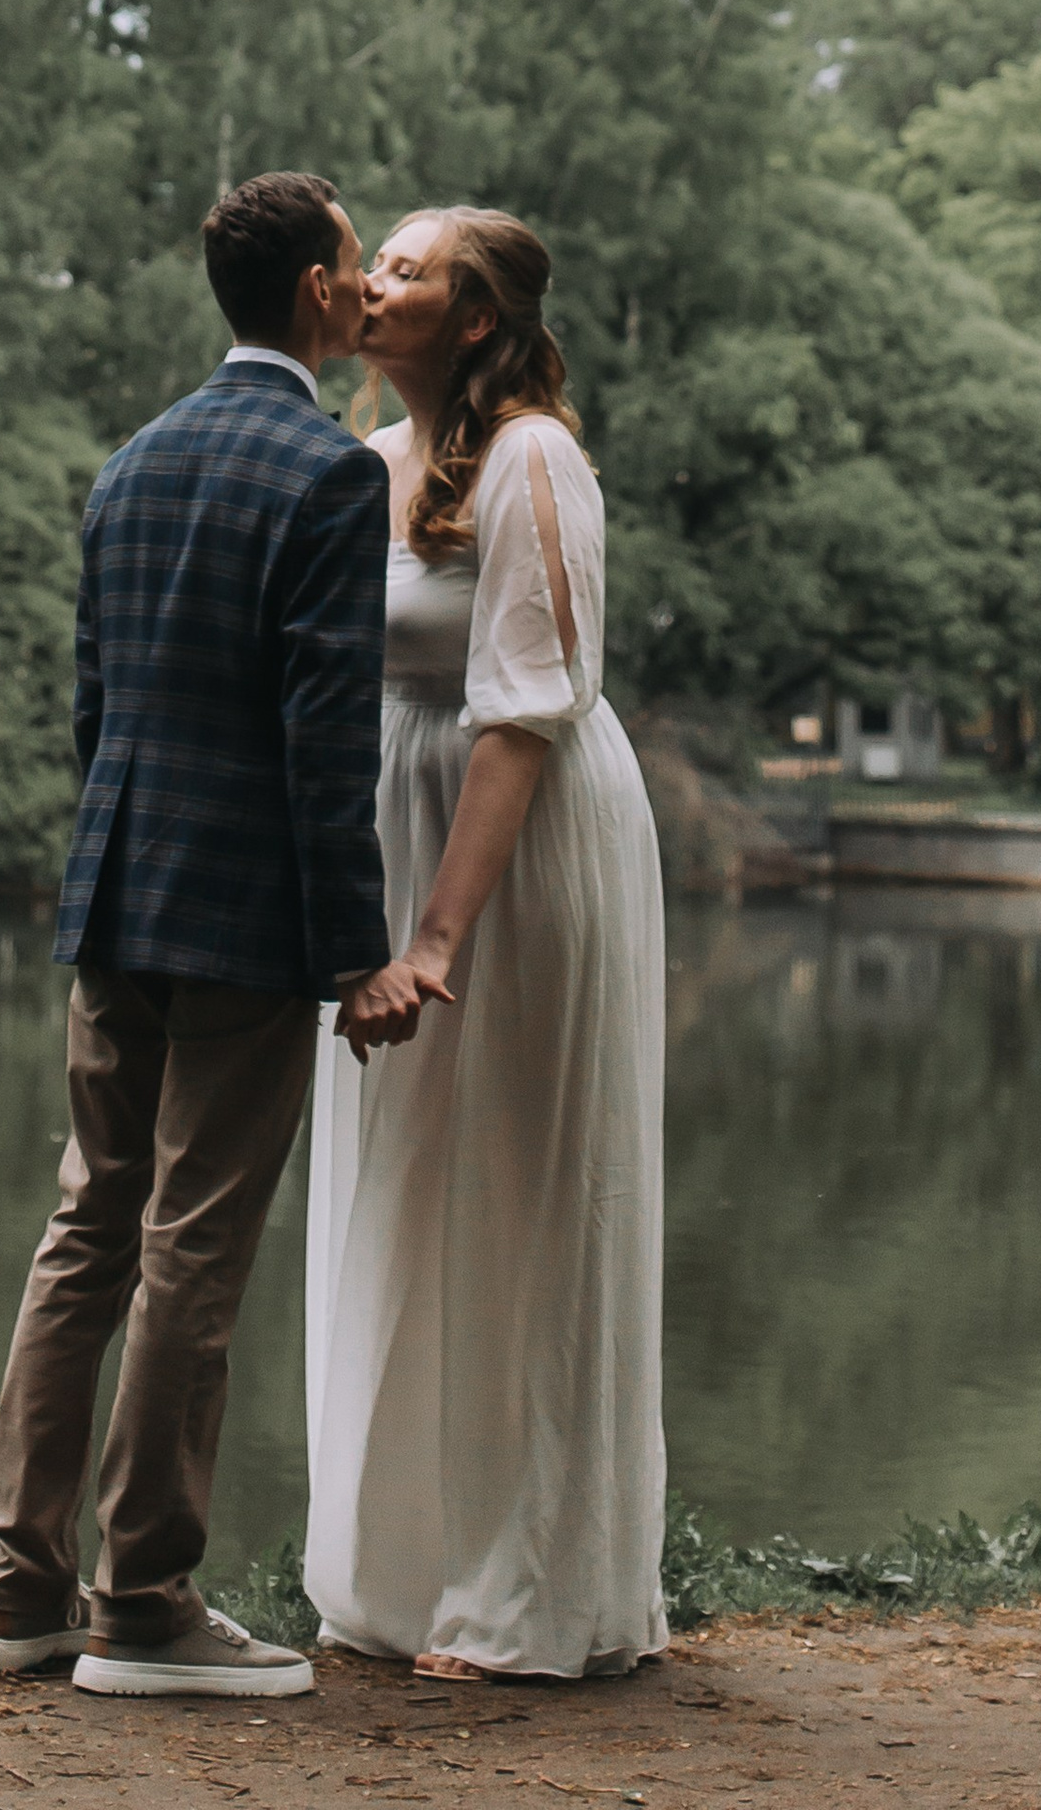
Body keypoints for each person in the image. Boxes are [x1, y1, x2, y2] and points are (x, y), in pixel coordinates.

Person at [0, 170, 431, 1703]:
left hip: (118, 892)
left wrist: (120, 859)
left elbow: (95, 709)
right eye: (353, 264)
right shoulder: (330, 475)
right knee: (193, 1249)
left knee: (88, 1227)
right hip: (241, 917)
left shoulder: (132, 461)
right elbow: (323, 741)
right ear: (312, 292)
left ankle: (18, 1589)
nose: (364, 288)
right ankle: (146, 1602)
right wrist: (357, 950)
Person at [305, 208, 667, 1680]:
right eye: (373, 259)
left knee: (521, 1193)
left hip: (512, 854)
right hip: (393, 846)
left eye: (409, 267)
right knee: (399, 1194)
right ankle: (399, 1573)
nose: (374, 280)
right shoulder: (367, 458)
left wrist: (439, 936)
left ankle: (528, 1590)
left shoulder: (532, 459)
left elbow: (526, 710)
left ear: (472, 318)